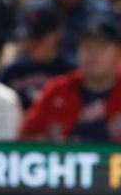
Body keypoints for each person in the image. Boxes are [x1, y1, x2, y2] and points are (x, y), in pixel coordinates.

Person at [21, 13, 121, 143]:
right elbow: (27, 138)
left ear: (118, 52)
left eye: (101, 47)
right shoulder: (57, 90)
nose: (93, 54)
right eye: (86, 47)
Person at [0, 6, 77, 110]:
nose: (32, 43)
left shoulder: (71, 71)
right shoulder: (11, 72)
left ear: (56, 35)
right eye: (29, 37)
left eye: (38, 37)